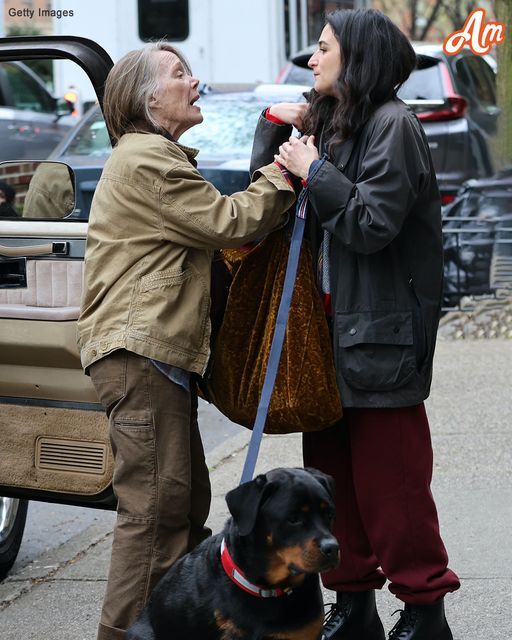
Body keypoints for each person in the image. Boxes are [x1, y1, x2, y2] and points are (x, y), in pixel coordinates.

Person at [250, 8, 459, 640]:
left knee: (393, 490)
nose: (311, 60)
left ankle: (424, 612)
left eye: (323, 49)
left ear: (358, 57)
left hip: (381, 336)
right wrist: (276, 129)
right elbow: (268, 193)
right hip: (327, 339)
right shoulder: (338, 124)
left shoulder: (393, 125)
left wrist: (316, 169)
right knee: (332, 488)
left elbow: (371, 225)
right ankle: (354, 605)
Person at [77, 42, 295, 640]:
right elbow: (230, 221)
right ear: (150, 98)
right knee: (154, 520)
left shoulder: (148, 156)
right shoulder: (148, 159)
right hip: (140, 358)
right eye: (181, 74)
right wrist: (288, 170)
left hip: (148, 359)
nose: (195, 82)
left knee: (181, 511)